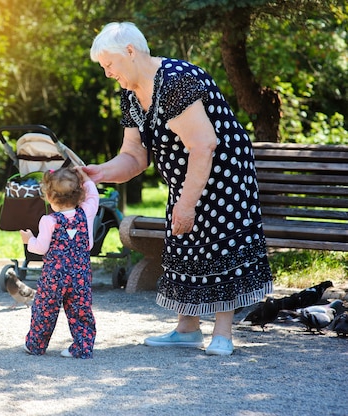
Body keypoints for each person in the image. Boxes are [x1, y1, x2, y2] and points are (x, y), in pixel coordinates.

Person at [84, 22, 273, 356]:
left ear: (130, 51)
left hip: (221, 169)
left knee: (217, 239)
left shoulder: (175, 80)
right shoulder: (131, 95)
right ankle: (187, 329)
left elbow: (204, 146)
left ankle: (223, 334)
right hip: (187, 174)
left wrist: (186, 205)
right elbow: (134, 157)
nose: (107, 73)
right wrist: (100, 173)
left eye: (109, 64)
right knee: (184, 240)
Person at [20, 167, 99, 358]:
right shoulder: (86, 212)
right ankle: (82, 347)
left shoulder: (49, 220)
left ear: (48, 196)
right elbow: (94, 195)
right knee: (81, 309)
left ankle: (36, 344)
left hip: (54, 276)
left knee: (45, 308)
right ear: (80, 195)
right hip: (80, 273)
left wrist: (28, 240)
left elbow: (40, 248)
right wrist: (87, 179)